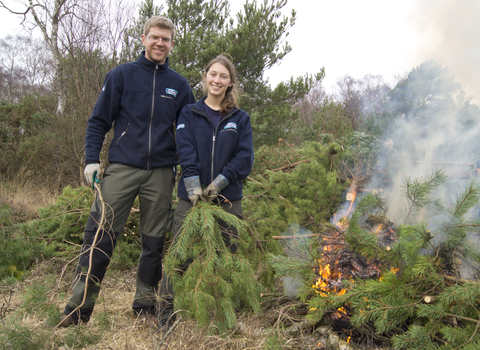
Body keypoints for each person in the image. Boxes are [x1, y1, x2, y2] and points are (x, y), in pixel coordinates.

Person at [57, 16, 195, 327]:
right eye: (155, 37)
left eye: (166, 39)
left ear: (172, 44)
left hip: (161, 172)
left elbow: (189, 131)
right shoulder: (121, 75)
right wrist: (91, 159)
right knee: (99, 235)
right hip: (121, 168)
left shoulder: (179, 85)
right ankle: (79, 309)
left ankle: (145, 306)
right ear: (144, 39)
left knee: (154, 241)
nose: (160, 43)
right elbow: (98, 121)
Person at [157, 54, 254, 329]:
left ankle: (227, 316)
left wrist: (219, 183)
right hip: (191, 197)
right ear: (205, 77)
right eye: (213, 74)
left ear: (230, 82)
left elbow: (244, 158)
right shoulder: (189, 113)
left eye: (224, 76)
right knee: (180, 254)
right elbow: (185, 151)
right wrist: (193, 185)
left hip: (228, 198)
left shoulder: (240, 119)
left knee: (228, 256)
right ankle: (165, 315)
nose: (217, 80)